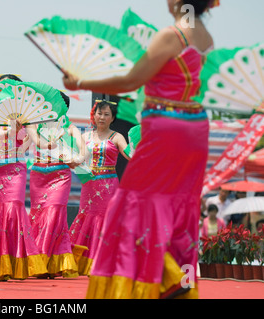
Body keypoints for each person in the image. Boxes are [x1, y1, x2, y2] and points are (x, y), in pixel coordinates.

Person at [63, 0, 217, 299]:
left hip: (166, 125)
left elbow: (133, 79)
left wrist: (80, 81)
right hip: (195, 127)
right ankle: (178, 279)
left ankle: (159, 278)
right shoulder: (205, 37)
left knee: (136, 200)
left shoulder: (173, 34)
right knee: (179, 202)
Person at [0, 75, 47, 281]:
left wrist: (48, 145)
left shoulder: (27, 114)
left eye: (12, 87)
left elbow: (35, 140)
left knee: (13, 205)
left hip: (16, 166)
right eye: (3, 87)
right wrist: (9, 129)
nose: (6, 91)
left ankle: (16, 262)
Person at [68, 100, 129, 276]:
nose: (101, 117)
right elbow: (77, 159)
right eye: (99, 113)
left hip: (108, 185)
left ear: (113, 118)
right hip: (89, 184)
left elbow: (129, 154)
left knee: (105, 218)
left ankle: (103, 262)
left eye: (106, 114)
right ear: (94, 115)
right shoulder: (85, 137)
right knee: (86, 216)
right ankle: (80, 262)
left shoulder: (116, 137)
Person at [26, 92, 80, 279]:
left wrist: (77, 159)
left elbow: (83, 151)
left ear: (65, 109)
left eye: (59, 105)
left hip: (60, 175)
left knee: (54, 213)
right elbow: (36, 141)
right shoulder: (34, 123)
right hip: (39, 175)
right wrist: (48, 143)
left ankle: (41, 262)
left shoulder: (70, 128)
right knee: (39, 215)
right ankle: (46, 264)